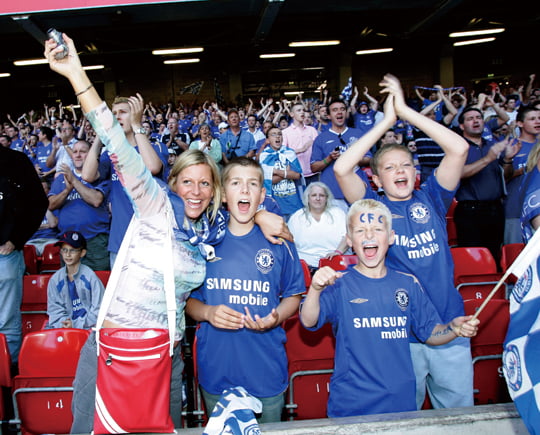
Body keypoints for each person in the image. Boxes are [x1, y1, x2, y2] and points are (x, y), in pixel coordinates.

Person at [45, 33, 291, 432]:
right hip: (114, 348)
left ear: (215, 191)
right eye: (188, 182)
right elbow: (112, 138)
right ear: (173, 185)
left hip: (166, 354)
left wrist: (261, 214)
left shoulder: (213, 231)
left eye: (205, 183)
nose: (196, 191)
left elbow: (255, 217)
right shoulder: (154, 206)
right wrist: (76, 73)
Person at [334, 74, 474, 410]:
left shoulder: (433, 198)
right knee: (403, 420)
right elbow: (341, 168)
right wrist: (386, 123)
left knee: (459, 422)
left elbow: (460, 148)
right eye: (389, 167)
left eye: (405, 165)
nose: (399, 171)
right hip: (400, 336)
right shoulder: (373, 209)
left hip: (448, 326)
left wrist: (406, 112)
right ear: (377, 178)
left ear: (416, 172)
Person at [300, 199, 479, 417]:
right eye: (360, 230)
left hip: (401, 403)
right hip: (352, 404)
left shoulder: (408, 283)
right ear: (349, 240)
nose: (369, 236)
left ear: (391, 237)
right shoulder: (339, 283)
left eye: (377, 229)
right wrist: (316, 289)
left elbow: (430, 332)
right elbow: (308, 320)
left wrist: (453, 328)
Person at [186, 157, 304, 423]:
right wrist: (207, 312)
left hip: (266, 368)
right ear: (223, 194)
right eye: (236, 183)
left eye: (253, 184)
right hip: (217, 368)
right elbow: (189, 302)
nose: (244, 190)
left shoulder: (279, 240)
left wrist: (275, 317)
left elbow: (294, 297)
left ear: (262, 194)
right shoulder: (204, 239)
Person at [0, 145, 48, 362]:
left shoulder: (15, 160)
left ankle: (7, 379)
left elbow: (38, 202)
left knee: (6, 322)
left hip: (5, 253)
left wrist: (16, 239)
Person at [455, 106, 519, 262]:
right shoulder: (457, 147)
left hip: (495, 208)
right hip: (470, 211)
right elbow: (457, 173)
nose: (476, 121)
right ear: (462, 126)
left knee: (495, 256)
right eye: (470, 119)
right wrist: (488, 159)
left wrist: (508, 160)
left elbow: (506, 175)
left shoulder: (492, 145)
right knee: (474, 258)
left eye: (478, 117)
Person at [48, 140, 111, 271]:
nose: (77, 155)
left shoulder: (101, 176)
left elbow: (96, 200)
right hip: (68, 242)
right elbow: (51, 205)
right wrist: (67, 190)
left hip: (95, 242)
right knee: (70, 287)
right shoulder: (61, 179)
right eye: (75, 151)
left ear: (93, 155)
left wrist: (74, 181)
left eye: (83, 151)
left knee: (100, 284)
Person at [310, 99, 369, 212]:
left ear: (347, 113)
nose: (339, 112)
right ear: (328, 115)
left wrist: (353, 158)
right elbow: (313, 167)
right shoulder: (321, 138)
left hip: (357, 191)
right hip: (333, 193)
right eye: (335, 110)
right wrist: (329, 158)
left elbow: (369, 159)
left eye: (342, 109)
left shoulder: (357, 134)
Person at [46, 231, 105, 330]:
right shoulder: (55, 280)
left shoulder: (90, 277)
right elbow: (54, 310)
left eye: (73, 250)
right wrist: (65, 324)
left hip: (89, 328)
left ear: (82, 253)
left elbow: (99, 311)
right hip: (64, 327)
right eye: (64, 250)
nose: (68, 254)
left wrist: (76, 324)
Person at [287, 182, 348, 271]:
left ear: (327, 198)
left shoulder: (338, 213)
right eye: (314, 195)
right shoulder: (297, 217)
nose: (318, 198)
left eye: (322, 195)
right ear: (307, 198)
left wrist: (338, 252)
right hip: (305, 266)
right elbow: (289, 243)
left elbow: (348, 236)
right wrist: (299, 262)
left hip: (335, 263)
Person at [504, 106, 540, 244]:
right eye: (532, 119)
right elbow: (503, 178)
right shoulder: (511, 145)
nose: (537, 121)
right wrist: (509, 161)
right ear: (519, 123)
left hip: (537, 208)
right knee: (517, 256)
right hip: (515, 209)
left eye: (539, 118)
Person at [259, 127, 303, 219]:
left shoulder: (289, 153)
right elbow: (269, 181)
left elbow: (297, 175)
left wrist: (275, 171)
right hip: (275, 203)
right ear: (268, 139)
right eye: (273, 134)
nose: (277, 137)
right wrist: (287, 173)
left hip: (293, 202)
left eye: (279, 134)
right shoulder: (264, 156)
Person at [282, 103, 319, 185]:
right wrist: (301, 150)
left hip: (313, 172)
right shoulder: (285, 132)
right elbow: (283, 153)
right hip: (296, 174)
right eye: (298, 110)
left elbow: (318, 149)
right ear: (292, 114)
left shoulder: (312, 130)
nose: (302, 112)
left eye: (303, 110)